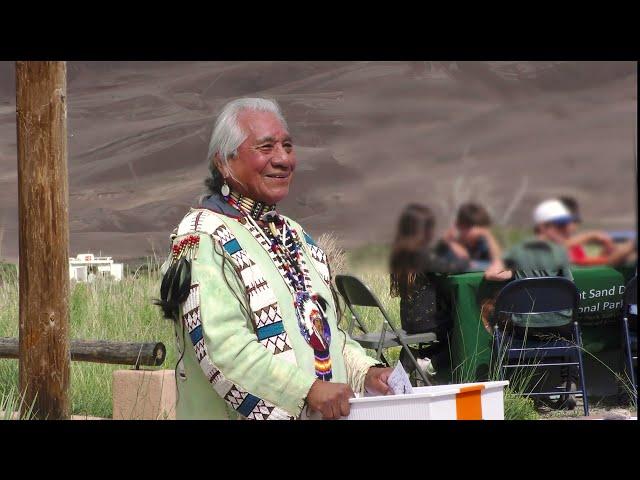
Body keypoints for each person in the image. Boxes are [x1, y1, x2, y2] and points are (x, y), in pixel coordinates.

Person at [157, 98, 393, 420]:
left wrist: (366, 372)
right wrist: (307, 391)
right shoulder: (203, 238)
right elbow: (223, 350)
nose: (282, 159)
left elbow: (327, 338)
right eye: (265, 148)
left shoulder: (295, 237)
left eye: (287, 145)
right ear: (224, 162)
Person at [485, 198, 579, 409]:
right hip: (560, 326)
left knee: (507, 334)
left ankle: (524, 389)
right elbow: (569, 287)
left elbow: (490, 273)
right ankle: (569, 383)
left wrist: (512, 272)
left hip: (525, 327)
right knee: (573, 332)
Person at [389, 204, 469, 377]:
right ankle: (435, 363)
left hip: (409, 323)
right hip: (430, 323)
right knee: (462, 321)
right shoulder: (425, 254)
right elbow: (457, 266)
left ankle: (416, 357)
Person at [558, 195, 636, 266]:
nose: (576, 225)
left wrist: (606, 254)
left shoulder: (575, 248)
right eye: (574, 220)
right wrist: (591, 236)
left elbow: (590, 265)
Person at [444, 202, 503, 268]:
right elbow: (465, 261)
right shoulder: (451, 244)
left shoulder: (482, 242)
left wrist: (487, 235)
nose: (480, 232)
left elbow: (498, 260)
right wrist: (450, 241)